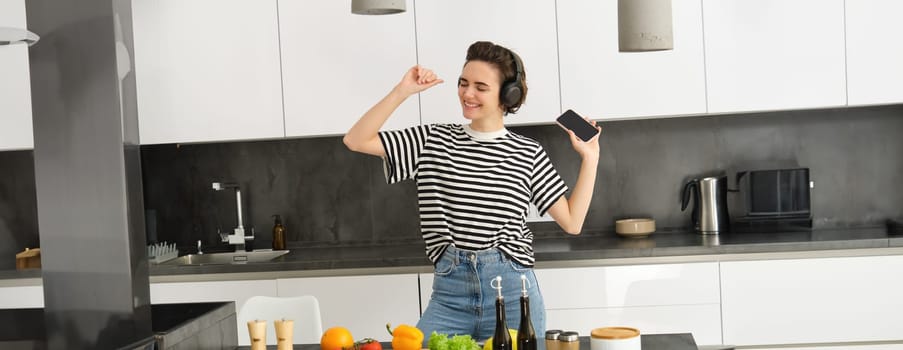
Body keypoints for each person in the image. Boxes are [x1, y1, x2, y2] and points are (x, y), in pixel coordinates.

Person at [343, 41, 600, 341]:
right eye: (463, 83)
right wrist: (402, 91)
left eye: (481, 86)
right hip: (449, 297)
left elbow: (572, 221)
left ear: (508, 95)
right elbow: (356, 140)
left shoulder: (527, 153)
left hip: (514, 294)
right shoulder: (432, 140)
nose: (467, 93)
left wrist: (590, 158)